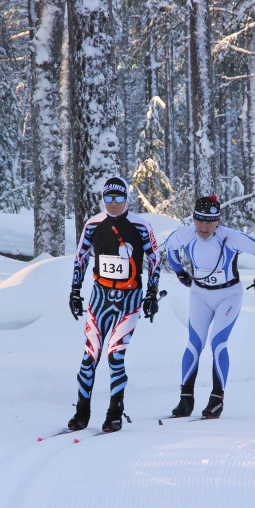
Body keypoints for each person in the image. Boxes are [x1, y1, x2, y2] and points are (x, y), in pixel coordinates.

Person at [67, 176, 161, 432]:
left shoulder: (141, 225)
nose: (114, 203)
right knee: (90, 356)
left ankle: (114, 413)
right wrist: (75, 292)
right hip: (99, 298)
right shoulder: (93, 224)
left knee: (115, 354)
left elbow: (155, 260)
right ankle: (81, 412)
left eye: (119, 198)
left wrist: (152, 293)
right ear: (103, 198)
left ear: (127, 199)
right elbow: (81, 259)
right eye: (109, 198)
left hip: (129, 300)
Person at [164, 195, 255, 419]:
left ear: (218, 222)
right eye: (200, 221)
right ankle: (185, 399)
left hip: (228, 296)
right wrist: (180, 272)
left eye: (209, 222)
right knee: (194, 344)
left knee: (218, 343)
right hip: (200, 295)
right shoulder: (185, 235)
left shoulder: (230, 237)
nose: (204, 227)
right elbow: (170, 249)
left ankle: (216, 399)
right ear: (193, 219)